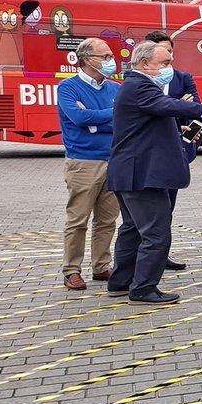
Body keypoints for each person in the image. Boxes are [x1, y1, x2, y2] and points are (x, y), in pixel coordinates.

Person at [107, 41, 202, 303]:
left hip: (130, 172)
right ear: (144, 63)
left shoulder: (136, 85)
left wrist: (176, 129)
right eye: (164, 63)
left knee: (132, 230)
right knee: (156, 233)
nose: (169, 68)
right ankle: (143, 289)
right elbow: (173, 106)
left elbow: (148, 123)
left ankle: (121, 282)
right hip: (142, 176)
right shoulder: (139, 86)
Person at [57, 38, 120, 290]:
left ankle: (102, 266)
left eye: (110, 56)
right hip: (83, 163)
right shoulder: (68, 88)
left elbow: (122, 120)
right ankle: (71, 270)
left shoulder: (116, 88)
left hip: (113, 160)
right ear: (86, 60)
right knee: (78, 220)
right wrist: (107, 116)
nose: (110, 61)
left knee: (107, 220)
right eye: (104, 56)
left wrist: (95, 122)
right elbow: (78, 117)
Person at [145, 30, 199, 272]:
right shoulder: (139, 81)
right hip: (147, 156)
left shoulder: (183, 77)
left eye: (170, 51)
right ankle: (142, 258)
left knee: (168, 208)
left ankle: (161, 255)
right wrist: (178, 106)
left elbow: (194, 107)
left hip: (175, 154)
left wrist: (180, 109)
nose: (168, 56)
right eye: (162, 52)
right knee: (146, 212)